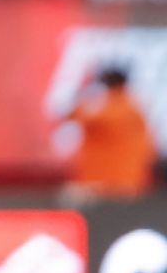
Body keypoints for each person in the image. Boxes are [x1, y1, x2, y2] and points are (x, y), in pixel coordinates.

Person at [64, 68, 155, 203]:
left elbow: (77, 116)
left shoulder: (115, 107)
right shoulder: (133, 106)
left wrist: (81, 97)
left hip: (108, 182)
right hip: (124, 180)